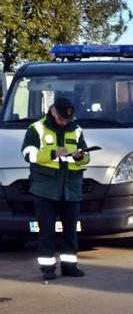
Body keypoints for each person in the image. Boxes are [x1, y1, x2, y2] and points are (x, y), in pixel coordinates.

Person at [20, 97, 90, 280]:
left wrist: (80, 156)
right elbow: (28, 153)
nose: (65, 122)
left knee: (70, 231)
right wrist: (53, 153)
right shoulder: (36, 128)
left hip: (71, 188)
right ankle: (47, 269)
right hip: (45, 189)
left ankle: (70, 266)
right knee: (47, 232)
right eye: (62, 118)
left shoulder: (76, 130)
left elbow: (86, 156)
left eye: (68, 119)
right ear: (53, 111)